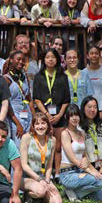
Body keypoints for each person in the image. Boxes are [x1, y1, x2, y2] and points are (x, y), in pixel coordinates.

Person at [33, 49, 70, 177]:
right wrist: (47, 115)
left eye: (53, 57)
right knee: (43, 145)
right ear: (43, 60)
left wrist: (59, 115)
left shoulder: (63, 76)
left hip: (59, 116)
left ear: (57, 59)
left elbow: (67, 99)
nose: (50, 59)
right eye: (47, 57)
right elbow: (36, 98)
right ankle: (43, 171)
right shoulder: (39, 77)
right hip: (43, 116)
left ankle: (58, 173)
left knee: (58, 146)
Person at [60, 104, 102, 202]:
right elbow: (73, 158)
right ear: (67, 117)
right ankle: (73, 191)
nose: (74, 118)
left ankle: (75, 192)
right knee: (99, 181)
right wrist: (90, 172)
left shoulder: (81, 133)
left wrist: (95, 171)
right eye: (71, 115)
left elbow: (85, 156)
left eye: (76, 115)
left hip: (81, 171)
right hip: (68, 173)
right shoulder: (65, 134)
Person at [19, 112, 62, 203]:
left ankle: (40, 196)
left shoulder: (52, 140)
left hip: (43, 177)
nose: (40, 126)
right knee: (41, 191)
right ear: (33, 126)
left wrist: (47, 181)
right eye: (37, 124)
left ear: (47, 125)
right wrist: (39, 180)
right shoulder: (26, 138)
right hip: (26, 177)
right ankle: (29, 195)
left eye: (43, 123)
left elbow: (49, 165)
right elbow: (24, 166)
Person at [4, 50, 34, 147]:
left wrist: (33, 120)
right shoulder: (6, 79)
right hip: (15, 118)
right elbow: (6, 104)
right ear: (11, 60)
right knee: (18, 148)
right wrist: (17, 124)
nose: (21, 62)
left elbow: (29, 99)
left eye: (23, 60)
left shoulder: (24, 77)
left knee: (29, 148)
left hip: (27, 116)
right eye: (18, 59)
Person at [82, 46, 102, 119]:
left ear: (99, 55)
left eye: (96, 53)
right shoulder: (83, 73)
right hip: (87, 110)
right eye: (91, 53)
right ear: (87, 56)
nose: (94, 55)